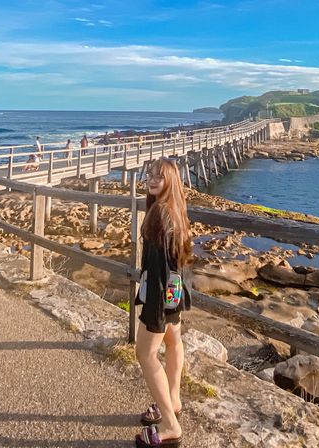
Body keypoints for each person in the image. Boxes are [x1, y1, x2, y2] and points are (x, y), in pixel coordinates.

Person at [134, 158, 192, 447]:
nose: (152, 179)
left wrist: (154, 310)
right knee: (173, 342)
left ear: (171, 179)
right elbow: (177, 262)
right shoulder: (176, 209)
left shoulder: (158, 213)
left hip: (159, 295)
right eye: (150, 175)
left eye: (160, 175)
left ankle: (170, 425)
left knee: (144, 354)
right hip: (175, 291)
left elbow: (156, 266)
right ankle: (173, 401)